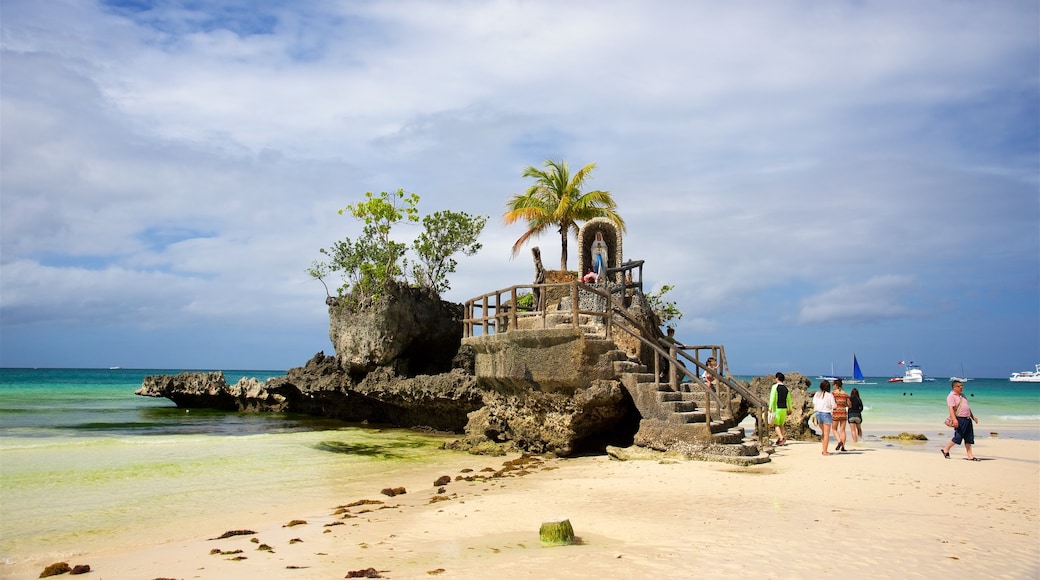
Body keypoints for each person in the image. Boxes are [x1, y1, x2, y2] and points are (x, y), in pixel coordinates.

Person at [941, 380, 980, 461]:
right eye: (959, 386)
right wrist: (955, 420)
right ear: (954, 387)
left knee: (969, 438)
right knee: (958, 437)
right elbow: (951, 409)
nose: (961, 387)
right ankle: (946, 449)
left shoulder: (963, 396)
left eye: (962, 386)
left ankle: (970, 456)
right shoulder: (951, 396)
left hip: (967, 419)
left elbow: (967, 408)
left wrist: (973, 417)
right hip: (959, 419)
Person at [812, 380, 837, 456]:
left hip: (818, 414)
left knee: (823, 433)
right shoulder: (830, 395)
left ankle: (823, 449)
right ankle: (825, 451)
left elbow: (814, 403)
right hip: (826, 414)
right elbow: (834, 406)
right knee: (826, 434)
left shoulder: (817, 394)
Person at [769, 372, 792, 446]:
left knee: (776, 425)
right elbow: (789, 400)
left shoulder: (775, 387)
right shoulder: (786, 388)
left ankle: (782, 438)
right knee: (781, 425)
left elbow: (772, 398)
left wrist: (770, 407)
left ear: (777, 379)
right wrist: (790, 409)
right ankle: (780, 440)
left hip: (777, 408)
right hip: (784, 409)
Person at [831, 379, 850, 451]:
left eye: (833, 385)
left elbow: (831, 403)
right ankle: (843, 447)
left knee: (834, 429)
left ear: (836, 385)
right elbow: (849, 405)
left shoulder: (833, 393)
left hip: (836, 412)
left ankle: (839, 441)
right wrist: (843, 404)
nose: (833, 386)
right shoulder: (845, 394)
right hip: (843, 412)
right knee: (843, 430)